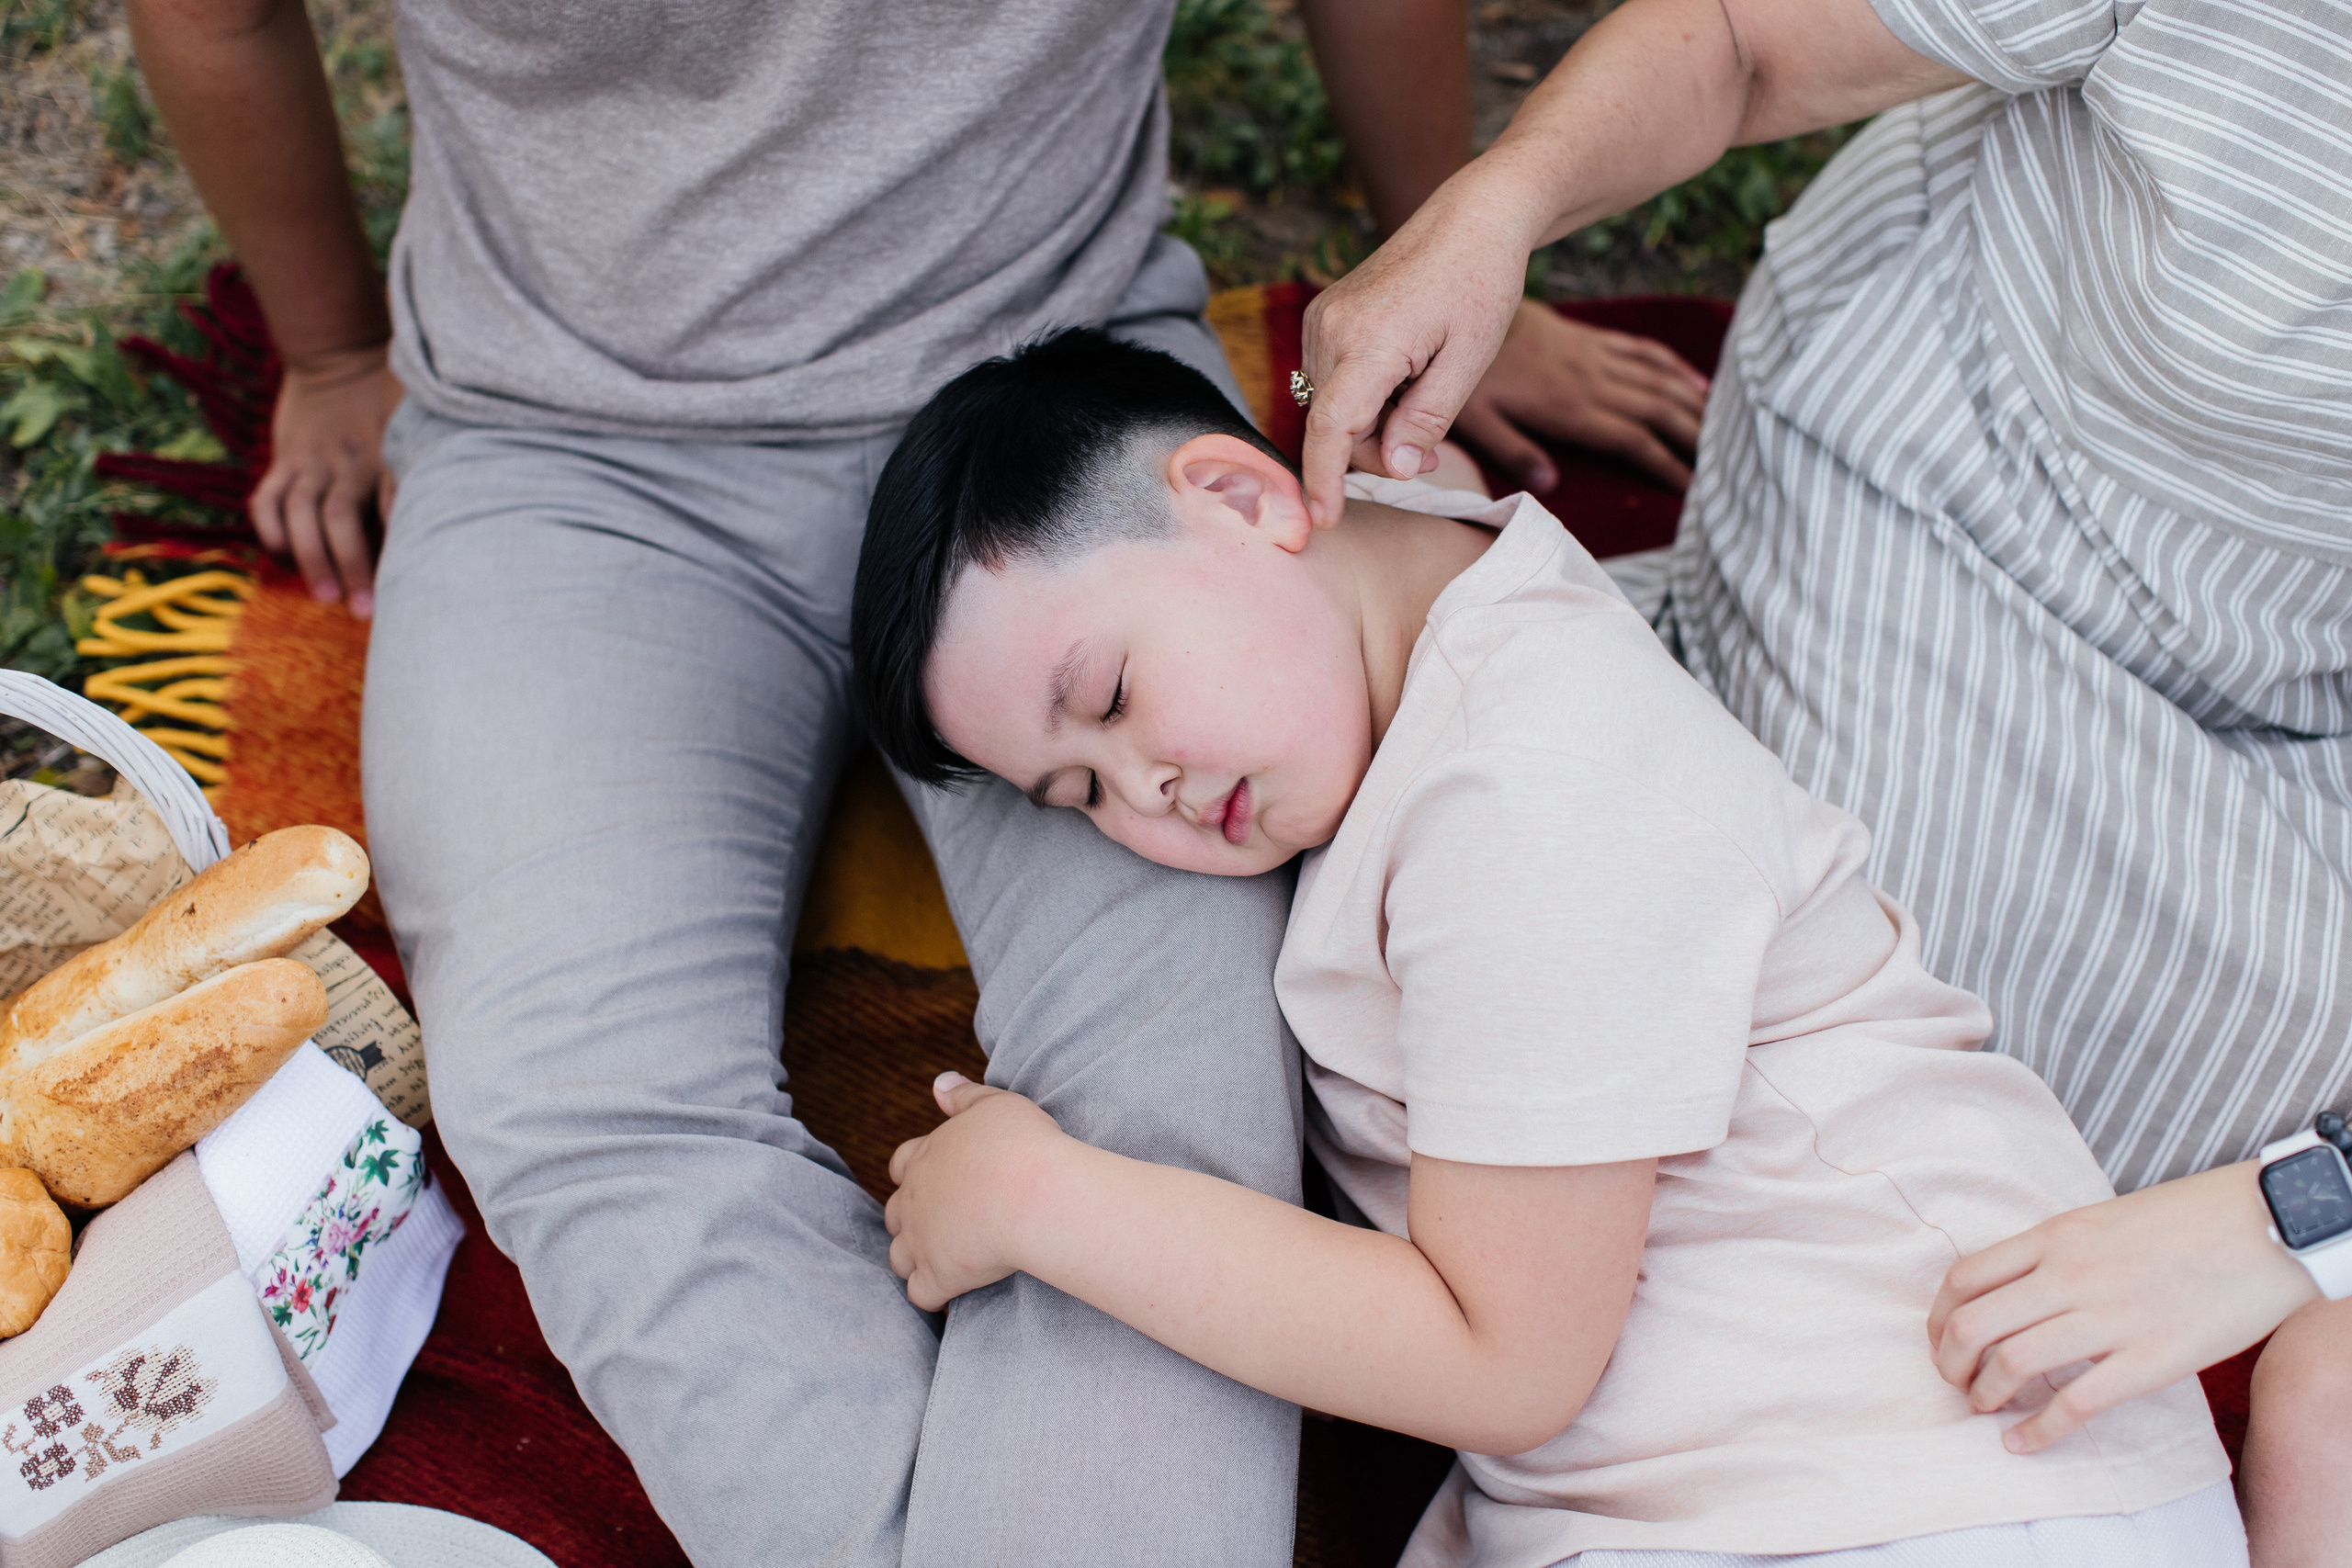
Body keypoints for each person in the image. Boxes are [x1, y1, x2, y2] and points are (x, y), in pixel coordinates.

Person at [117, 1, 1716, 1562]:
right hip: (577, 452)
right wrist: (329, 351)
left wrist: (1448, 249)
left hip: (1054, 416)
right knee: (581, 1096)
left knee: (1172, 1086)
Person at [853, 327, 2244, 1566]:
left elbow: (1501, 1360)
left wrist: (1042, 1200)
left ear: (1244, 495)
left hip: (1930, 1484)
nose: (1139, 790)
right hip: (1769, 1487)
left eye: (1108, 697)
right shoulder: (1399, 612)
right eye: (1076, 798)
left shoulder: (1530, 791)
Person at [1288, 0, 2352, 1558]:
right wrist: (1492, 214)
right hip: (1942, 478)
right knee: (1842, 1108)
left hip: (2295, 693)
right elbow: (1736, 37)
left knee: (2073, 1184)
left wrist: (2286, 1220)